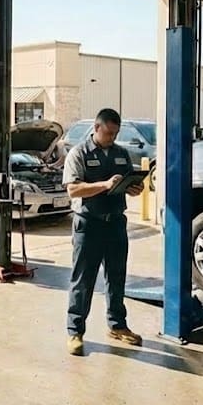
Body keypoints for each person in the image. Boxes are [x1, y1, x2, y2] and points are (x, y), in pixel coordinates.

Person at [62, 108, 145, 356]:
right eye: (108, 133)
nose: (112, 138)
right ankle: (75, 332)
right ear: (96, 128)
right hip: (89, 225)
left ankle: (117, 326)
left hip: (116, 224)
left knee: (117, 278)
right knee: (83, 281)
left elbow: (126, 184)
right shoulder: (79, 154)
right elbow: (73, 190)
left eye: (115, 133)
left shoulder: (121, 153)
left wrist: (133, 187)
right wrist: (105, 185)